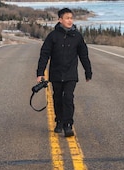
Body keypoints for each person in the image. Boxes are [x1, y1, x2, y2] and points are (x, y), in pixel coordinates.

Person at [36, 8, 92, 137]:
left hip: (70, 74)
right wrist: (40, 73)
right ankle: (59, 121)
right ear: (60, 20)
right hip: (56, 74)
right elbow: (44, 55)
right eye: (67, 18)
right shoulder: (53, 36)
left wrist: (88, 71)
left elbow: (84, 55)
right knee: (57, 98)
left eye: (71, 18)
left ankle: (68, 125)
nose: (70, 20)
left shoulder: (77, 36)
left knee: (68, 97)